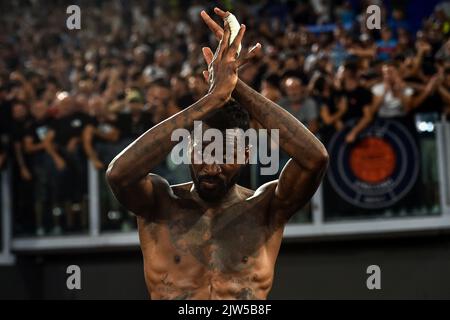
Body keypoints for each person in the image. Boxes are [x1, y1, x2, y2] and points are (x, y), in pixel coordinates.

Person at [106, 8, 328, 300]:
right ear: (186, 148)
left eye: (226, 155)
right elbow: (118, 173)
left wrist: (234, 86)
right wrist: (213, 98)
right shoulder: (159, 202)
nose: (212, 168)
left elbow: (316, 159)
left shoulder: (266, 207)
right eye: (204, 153)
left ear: (247, 154)